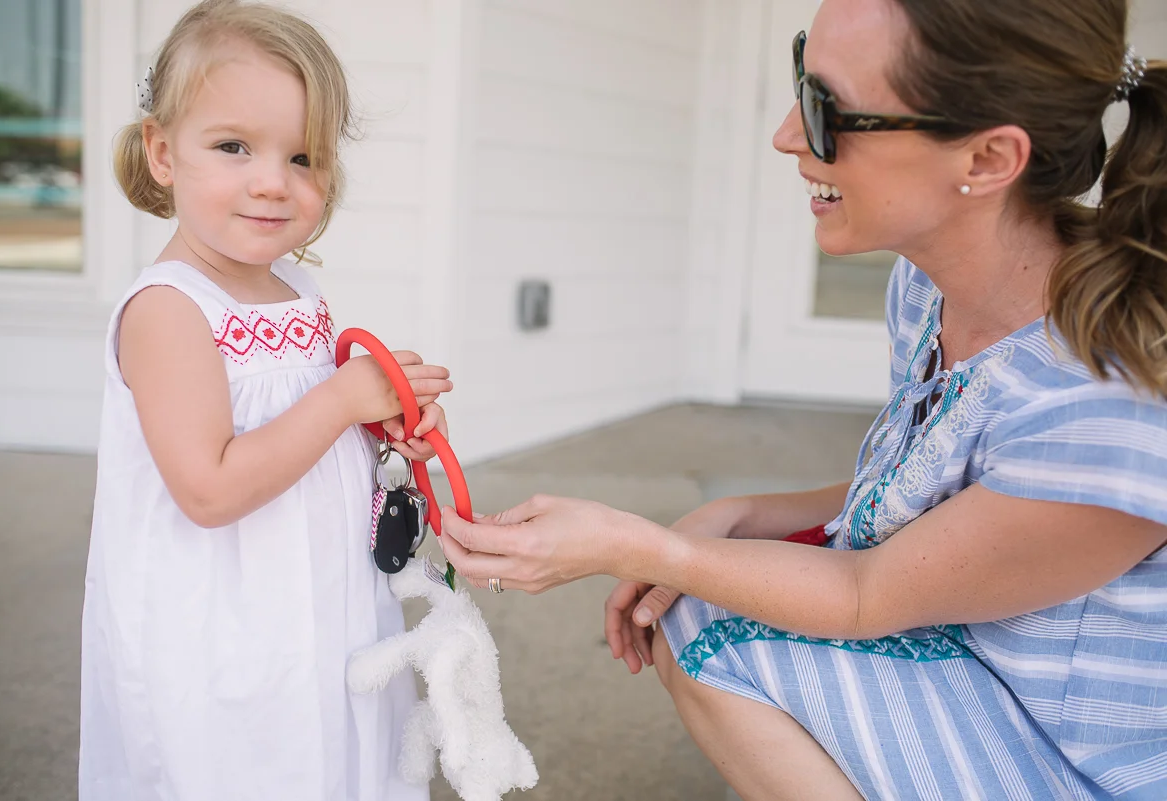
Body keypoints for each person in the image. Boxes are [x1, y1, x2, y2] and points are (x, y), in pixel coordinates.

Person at [439, 0, 1167, 797]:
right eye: (801, 77)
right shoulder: (927, 289)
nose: (787, 133)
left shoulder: (1109, 414)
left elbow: (867, 593)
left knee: (716, 620)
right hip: (984, 660)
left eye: (828, 110)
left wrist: (634, 545)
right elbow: (940, 495)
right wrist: (742, 514)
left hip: (1080, 763)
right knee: (701, 591)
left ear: (990, 157)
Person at [78, 2, 451, 798]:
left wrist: (378, 426)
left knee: (330, 755)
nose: (273, 181)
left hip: (320, 607)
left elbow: (302, 435)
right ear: (163, 151)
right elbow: (210, 488)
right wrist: (341, 399)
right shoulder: (170, 310)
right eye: (233, 146)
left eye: (304, 156)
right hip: (223, 627)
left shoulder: (294, 290)